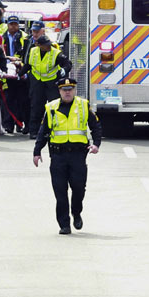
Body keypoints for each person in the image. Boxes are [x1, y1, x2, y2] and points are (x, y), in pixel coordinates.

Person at [32, 77, 101, 234]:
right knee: (60, 192)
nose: (67, 92)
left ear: (75, 90)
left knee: (78, 189)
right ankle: (64, 224)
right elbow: (43, 132)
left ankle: (76, 212)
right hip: (58, 156)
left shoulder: (83, 105)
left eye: (70, 89)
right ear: (59, 91)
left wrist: (96, 144)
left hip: (78, 155)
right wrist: (37, 152)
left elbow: (95, 125)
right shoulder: (51, 108)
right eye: (64, 90)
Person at [21, 34, 72, 139]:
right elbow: (28, 65)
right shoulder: (33, 51)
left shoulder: (56, 53)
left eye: (49, 44)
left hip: (51, 82)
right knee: (36, 107)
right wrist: (20, 74)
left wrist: (64, 70)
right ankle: (34, 131)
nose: (48, 47)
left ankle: (56, 130)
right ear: (38, 45)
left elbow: (68, 63)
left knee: (55, 107)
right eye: (46, 45)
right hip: (37, 82)